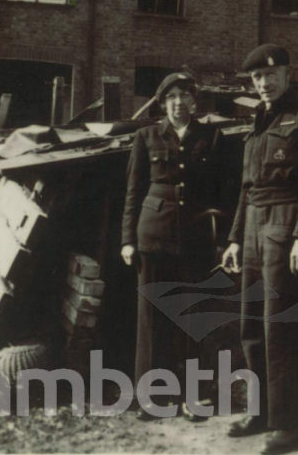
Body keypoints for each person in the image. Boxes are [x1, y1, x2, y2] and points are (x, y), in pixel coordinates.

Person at [221, 44, 298, 453]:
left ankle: (290, 423)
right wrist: (235, 237)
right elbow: (246, 189)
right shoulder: (257, 122)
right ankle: (262, 411)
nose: (264, 83)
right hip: (253, 228)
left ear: (288, 74)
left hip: (285, 227)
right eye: (256, 78)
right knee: (251, 324)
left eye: (271, 75)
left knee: (281, 325)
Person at [121, 71, 232, 420]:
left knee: (194, 319)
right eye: (170, 97)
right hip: (152, 237)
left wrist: (226, 238)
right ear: (162, 102)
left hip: (196, 239)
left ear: (195, 101)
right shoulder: (146, 136)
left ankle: (194, 397)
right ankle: (154, 399)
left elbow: (224, 192)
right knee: (152, 320)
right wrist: (127, 240)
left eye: (184, 95)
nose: (178, 103)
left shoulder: (212, 137)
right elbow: (133, 192)